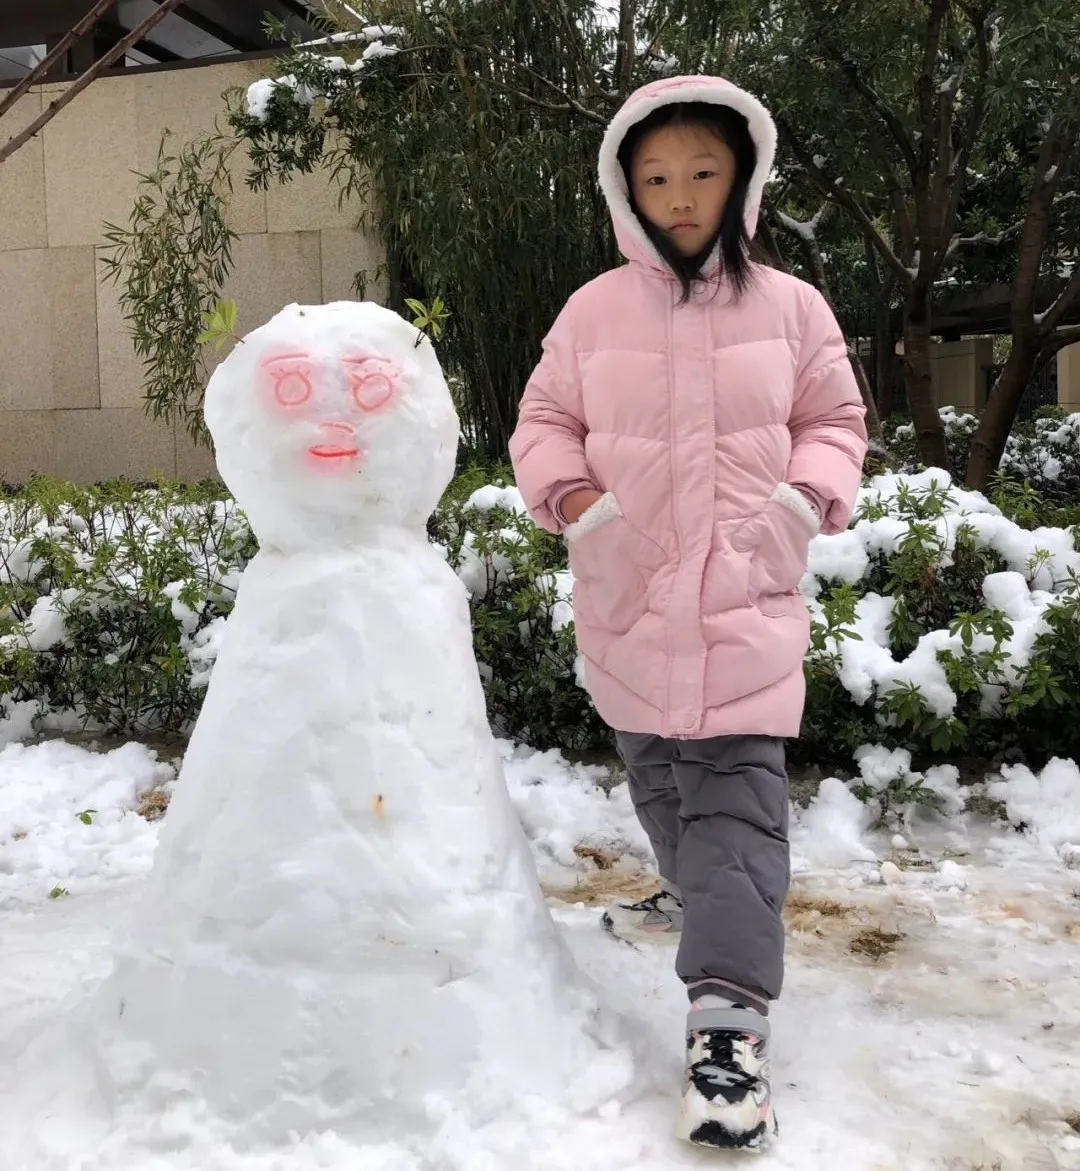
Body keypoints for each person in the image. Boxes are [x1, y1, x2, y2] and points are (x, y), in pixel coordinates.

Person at [508, 75, 868, 1151]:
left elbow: (834, 417)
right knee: (661, 779)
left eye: (701, 172)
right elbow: (542, 418)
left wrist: (799, 504)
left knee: (736, 809)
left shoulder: (793, 307)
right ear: (626, 190)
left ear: (741, 179)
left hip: (747, 599)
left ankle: (727, 1026)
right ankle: (689, 889)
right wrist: (578, 502)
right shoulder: (592, 311)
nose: (678, 195)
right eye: (655, 177)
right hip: (629, 598)